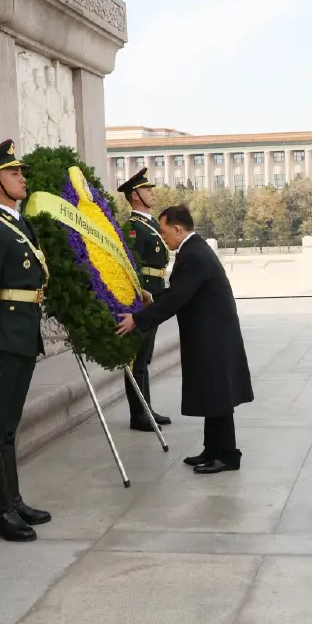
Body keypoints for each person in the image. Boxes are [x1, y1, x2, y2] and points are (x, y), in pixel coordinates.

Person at [115, 205, 253, 473]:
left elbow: (177, 299)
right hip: (210, 333)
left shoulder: (194, 255)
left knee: (218, 396)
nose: (162, 237)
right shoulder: (193, 250)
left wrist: (137, 320)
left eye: (164, 232)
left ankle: (227, 456)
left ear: (178, 229)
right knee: (213, 393)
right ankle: (213, 450)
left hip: (212, 336)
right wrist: (153, 298)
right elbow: (179, 291)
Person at [0, 139, 51, 541]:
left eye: (20, 172)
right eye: (14, 172)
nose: (22, 178)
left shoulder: (19, 225)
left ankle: (13, 501)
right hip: (0, 343)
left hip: (23, 337)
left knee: (8, 426)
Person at [118, 167, 172, 432]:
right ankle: (139, 415)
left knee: (145, 357)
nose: (151, 192)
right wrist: (142, 292)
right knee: (137, 359)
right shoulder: (133, 228)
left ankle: (145, 409)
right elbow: (130, 266)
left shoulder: (149, 224)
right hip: (144, 298)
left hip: (156, 292)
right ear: (134, 195)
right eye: (146, 189)